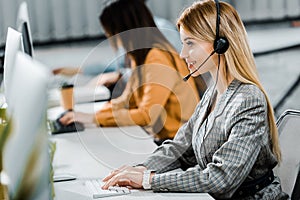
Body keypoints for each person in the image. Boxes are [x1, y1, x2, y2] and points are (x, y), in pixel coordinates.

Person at [100, 0, 289, 199]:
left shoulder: (249, 100)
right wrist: (140, 170)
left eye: (190, 43)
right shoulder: (213, 93)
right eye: (183, 44)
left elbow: (221, 178)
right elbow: (179, 148)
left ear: (220, 44)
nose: (182, 54)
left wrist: (149, 180)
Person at [59, 0, 201, 145]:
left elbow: (147, 115)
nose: (109, 36)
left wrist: (93, 118)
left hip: (179, 143)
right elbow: (127, 100)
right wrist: (95, 114)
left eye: (110, 31)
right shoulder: (140, 55)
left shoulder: (157, 58)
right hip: (164, 138)